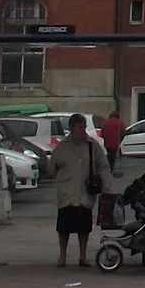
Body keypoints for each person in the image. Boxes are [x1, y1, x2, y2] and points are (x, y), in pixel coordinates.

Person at [50, 112, 108, 266]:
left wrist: (106, 185)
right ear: (71, 128)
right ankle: (62, 256)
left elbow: (102, 165)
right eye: (79, 127)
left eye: (84, 127)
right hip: (67, 192)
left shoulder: (92, 145)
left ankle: (83, 256)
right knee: (64, 227)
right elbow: (52, 167)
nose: (83, 130)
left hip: (85, 192)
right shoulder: (62, 147)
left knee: (84, 227)